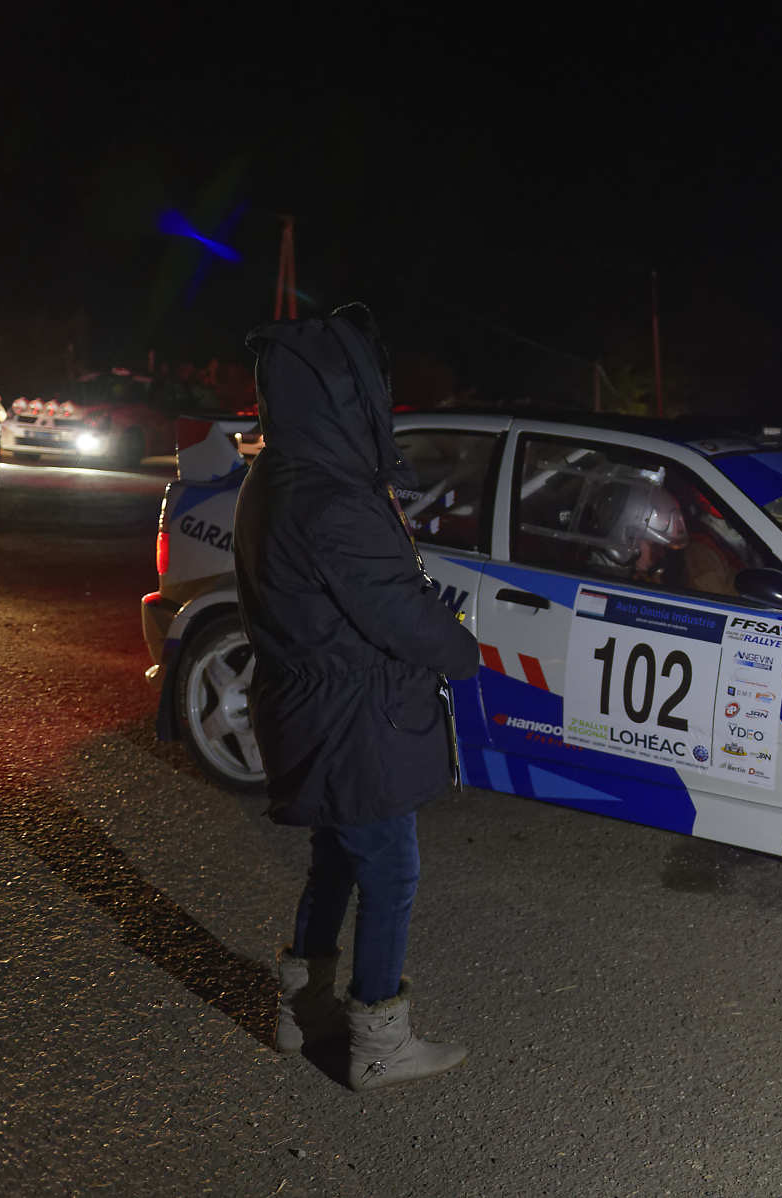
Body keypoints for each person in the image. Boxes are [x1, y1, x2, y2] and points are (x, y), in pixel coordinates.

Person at [233, 303, 481, 1090]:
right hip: (354, 717)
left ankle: (300, 1012)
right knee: (391, 873)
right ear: (344, 400)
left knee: (337, 858)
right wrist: (459, 648)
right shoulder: (334, 499)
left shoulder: (277, 475)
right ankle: (380, 1042)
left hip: (315, 706)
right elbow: (399, 613)